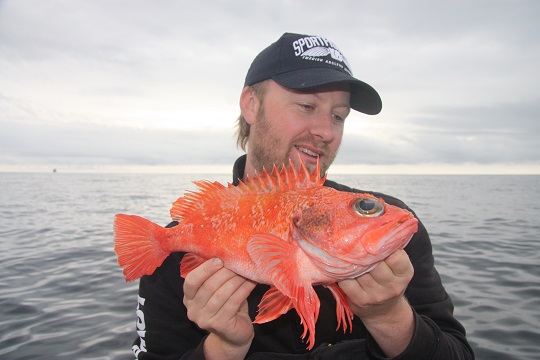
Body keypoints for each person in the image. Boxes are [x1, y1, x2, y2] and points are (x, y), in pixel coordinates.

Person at [131, 32, 475, 359]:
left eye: (338, 116)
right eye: (307, 106)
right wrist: (224, 349)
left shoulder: (391, 229)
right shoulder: (167, 255)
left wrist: (389, 316)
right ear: (251, 104)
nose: (326, 131)